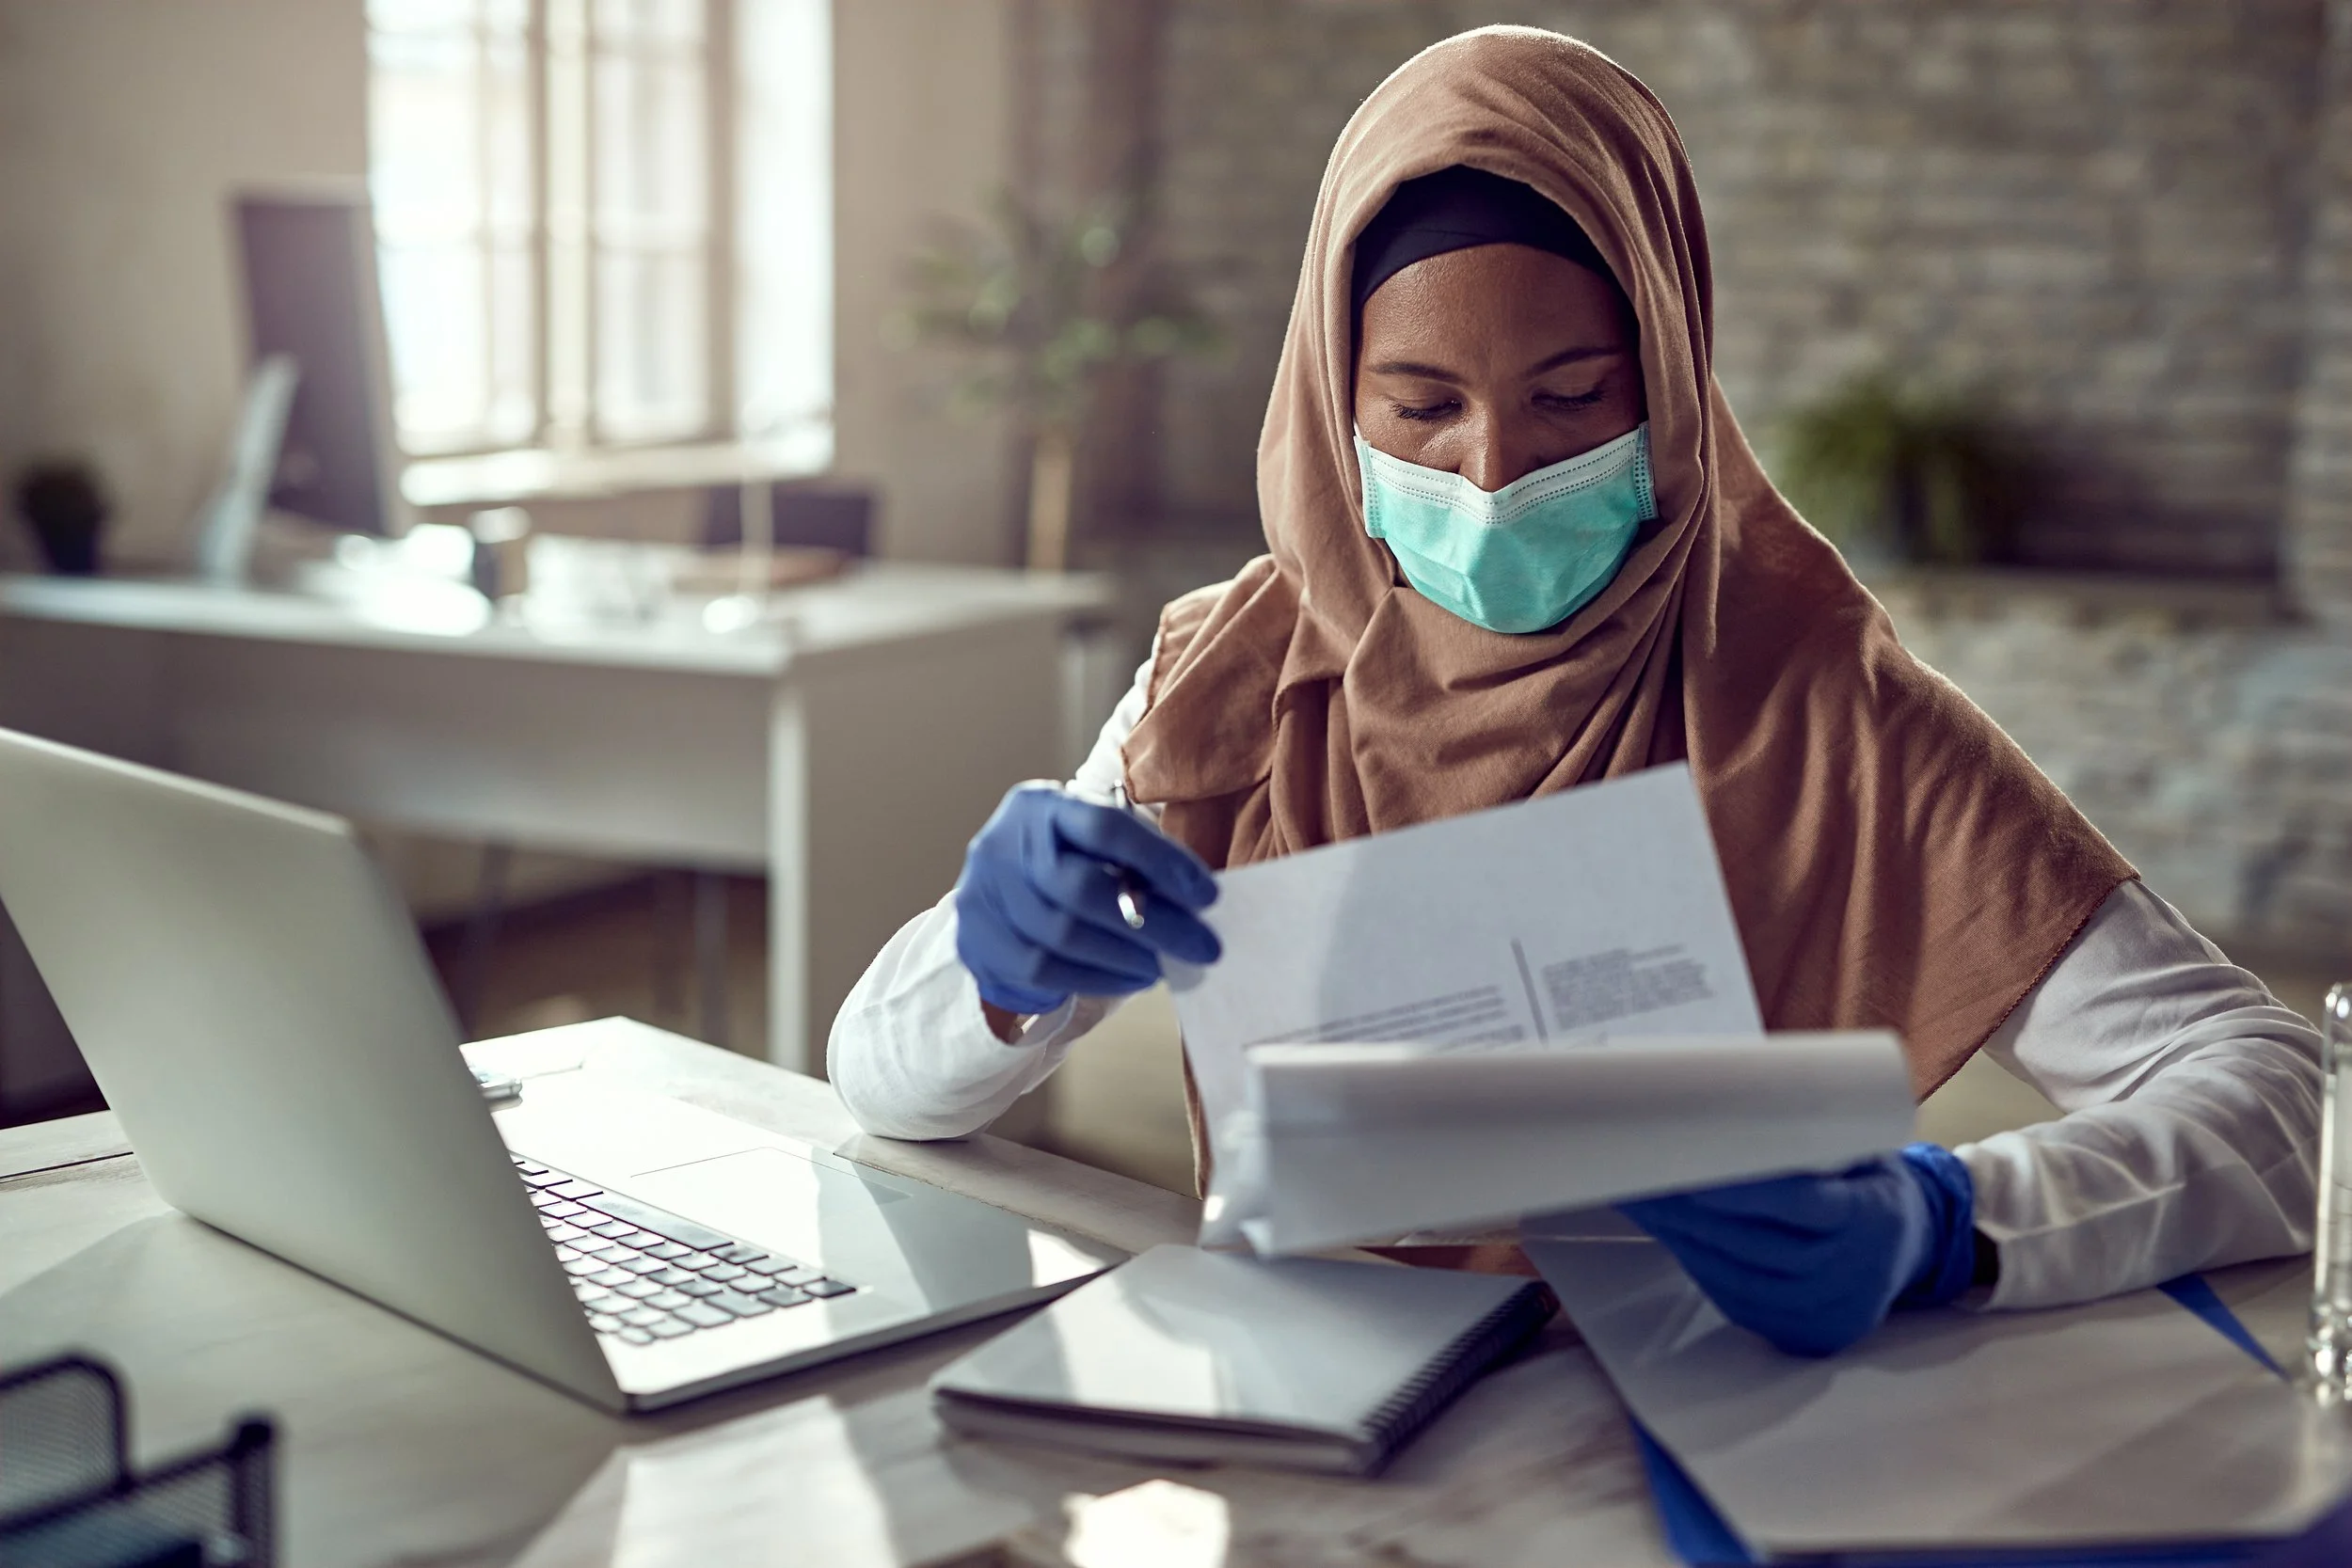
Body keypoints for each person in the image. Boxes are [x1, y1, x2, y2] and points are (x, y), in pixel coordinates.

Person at [829, 26, 2320, 1356]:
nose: (1493, 475)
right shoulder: (1238, 675)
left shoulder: (1817, 708)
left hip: (1679, 1457)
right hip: (1296, 1450)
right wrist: (996, 973)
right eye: (1421, 406)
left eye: (1571, 399)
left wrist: (1950, 1220)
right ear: (1330, 398)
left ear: (1669, 380)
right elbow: (883, 1085)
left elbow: (2284, 1093)